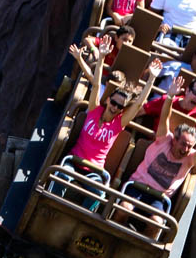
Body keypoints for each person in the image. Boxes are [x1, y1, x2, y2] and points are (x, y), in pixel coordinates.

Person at [113, 83, 196, 237]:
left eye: (189, 146)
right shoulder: (163, 140)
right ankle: (113, 233)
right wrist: (169, 97)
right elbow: (164, 118)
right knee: (124, 208)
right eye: (183, 144)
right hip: (138, 187)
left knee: (157, 223)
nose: (185, 149)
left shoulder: (189, 158)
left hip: (159, 198)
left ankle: (140, 249)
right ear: (174, 140)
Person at [67, 35, 162, 168]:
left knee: (98, 188)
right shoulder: (95, 110)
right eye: (113, 102)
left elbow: (139, 104)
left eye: (119, 106)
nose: (115, 107)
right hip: (74, 160)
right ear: (107, 100)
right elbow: (96, 84)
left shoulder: (118, 123)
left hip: (95, 170)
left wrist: (151, 78)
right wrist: (101, 57)